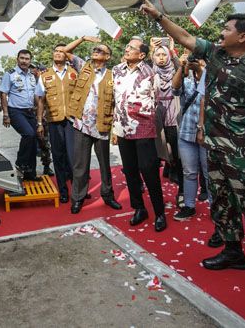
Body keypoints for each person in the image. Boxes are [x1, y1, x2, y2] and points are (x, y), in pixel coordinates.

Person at [139, 0, 245, 301]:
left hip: (243, 152)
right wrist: (158, 16)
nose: (221, 31)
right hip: (214, 148)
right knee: (222, 202)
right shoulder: (217, 54)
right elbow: (185, 37)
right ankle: (233, 252)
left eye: (227, 28)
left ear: (242, 36)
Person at [112, 38, 167, 232]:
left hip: (143, 128)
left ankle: (160, 212)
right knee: (130, 171)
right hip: (122, 128)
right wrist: (114, 126)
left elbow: (156, 98)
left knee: (149, 170)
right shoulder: (116, 70)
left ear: (142, 55)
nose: (127, 49)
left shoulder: (151, 73)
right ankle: (139, 208)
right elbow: (114, 98)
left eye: (131, 48)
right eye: (127, 46)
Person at [63, 36, 122, 213]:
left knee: (105, 164)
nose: (95, 52)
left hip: (102, 126)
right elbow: (66, 51)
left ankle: (108, 195)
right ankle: (78, 198)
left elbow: (117, 103)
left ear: (108, 57)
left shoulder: (113, 75)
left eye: (100, 51)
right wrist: (82, 39)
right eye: (94, 50)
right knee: (80, 165)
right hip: (82, 125)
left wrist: (116, 130)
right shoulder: (84, 67)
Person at [35, 46, 77, 203]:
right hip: (54, 122)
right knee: (58, 157)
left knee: (73, 158)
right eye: (56, 51)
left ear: (67, 55)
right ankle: (63, 191)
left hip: (72, 121)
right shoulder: (45, 76)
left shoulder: (75, 72)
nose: (58, 53)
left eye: (62, 51)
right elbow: (40, 101)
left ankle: (78, 190)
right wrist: (39, 122)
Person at [172, 53, 209, 221]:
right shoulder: (187, 79)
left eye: (200, 60)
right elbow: (174, 89)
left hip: (208, 135)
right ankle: (189, 206)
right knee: (189, 172)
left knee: (209, 173)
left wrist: (202, 70)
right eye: (194, 60)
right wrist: (182, 67)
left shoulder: (213, 79)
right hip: (187, 132)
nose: (196, 63)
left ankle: (216, 208)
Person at [0, 50, 40, 183]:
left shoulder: (32, 76)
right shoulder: (10, 74)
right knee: (28, 134)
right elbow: (3, 94)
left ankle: (30, 173)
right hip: (15, 111)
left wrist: (39, 111)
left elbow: (36, 95)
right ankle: (20, 163)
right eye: (22, 58)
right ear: (17, 59)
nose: (24, 61)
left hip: (29, 112)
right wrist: (5, 114)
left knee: (34, 140)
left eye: (27, 59)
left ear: (30, 60)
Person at [151, 38, 184, 204]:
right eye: (158, 55)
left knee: (178, 152)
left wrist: (172, 49)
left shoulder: (174, 70)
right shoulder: (152, 72)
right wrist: (151, 49)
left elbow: (181, 67)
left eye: (165, 55)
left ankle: (182, 190)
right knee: (161, 150)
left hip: (174, 114)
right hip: (158, 117)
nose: (162, 58)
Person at [30, 63, 55, 177]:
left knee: (44, 143)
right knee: (30, 143)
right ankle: (30, 169)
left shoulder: (43, 81)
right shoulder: (28, 81)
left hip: (43, 117)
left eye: (34, 68)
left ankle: (46, 166)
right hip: (30, 117)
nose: (32, 70)